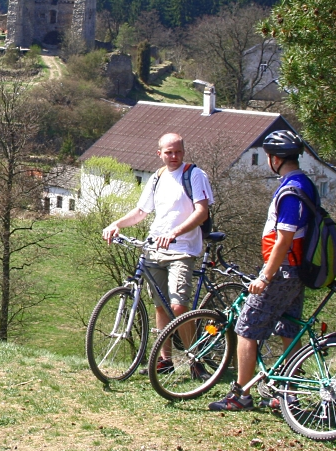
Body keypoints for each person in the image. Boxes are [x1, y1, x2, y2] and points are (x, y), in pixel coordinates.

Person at [209, 130, 314, 411]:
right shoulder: (305, 183)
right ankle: (285, 394)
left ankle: (241, 395)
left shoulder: (291, 190)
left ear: (275, 159)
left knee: (246, 328)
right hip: (296, 270)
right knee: (288, 327)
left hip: (282, 270)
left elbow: (284, 239)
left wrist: (265, 276)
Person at [102, 133, 214, 376]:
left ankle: (195, 360)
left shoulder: (194, 175)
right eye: (169, 152)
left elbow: (201, 212)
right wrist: (116, 225)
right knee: (161, 307)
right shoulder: (156, 177)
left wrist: (176, 232)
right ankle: (166, 361)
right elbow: (141, 211)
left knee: (178, 306)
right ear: (159, 153)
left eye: (178, 152)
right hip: (154, 249)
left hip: (182, 249)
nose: (174, 157)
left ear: (183, 152)